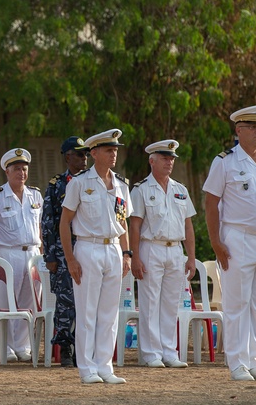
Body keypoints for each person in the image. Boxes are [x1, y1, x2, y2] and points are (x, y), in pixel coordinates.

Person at [203, 105, 256, 382]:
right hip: (237, 239)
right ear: (238, 131)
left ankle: (252, 359)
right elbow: (211, 202)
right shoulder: (225, 162)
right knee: (236, 303)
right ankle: (236, 362)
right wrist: (216, 242)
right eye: (252, 127)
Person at [59, 128, 131, 385]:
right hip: (88, 248)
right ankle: (87, 367)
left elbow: (123, 222)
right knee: (87, 311)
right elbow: (64, 222)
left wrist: (127, 253)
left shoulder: (121, 185)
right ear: (94, 152)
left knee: (109, 313)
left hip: (113, 249)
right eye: (109, 150)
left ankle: (105, 365)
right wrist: (70, 259)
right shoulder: (79, 183)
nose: (114, 154)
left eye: (115, 150)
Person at [129, 139, 195, 368]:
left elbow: (188, 226)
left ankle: (170, 351)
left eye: (171, 159)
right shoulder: (141, 189)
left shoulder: (180, 190)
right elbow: (135, 225)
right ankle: (151, 353)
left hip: (175, 249)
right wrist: (135, 256)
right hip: (151, 247)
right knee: (150, 302)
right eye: (165, 158)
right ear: (152, 160)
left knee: (171, 303)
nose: (169, 162)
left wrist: (191, 257)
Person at [0, 147, 41, 362]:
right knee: (5, 301)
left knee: (28, 300)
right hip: (7, 253)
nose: (21, 173)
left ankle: (21, 345)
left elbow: (39, 226)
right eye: (16, 169)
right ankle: (5, 346)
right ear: (7, 171)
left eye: (24, 169)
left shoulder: (36, 194)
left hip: (31, 252)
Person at [41, 136, 88, 367]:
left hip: (87, 248)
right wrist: (50, 256)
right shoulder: (57, 184)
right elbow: (48, 222)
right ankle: (65, 348)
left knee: (86, 301)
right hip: (61, 252)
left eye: (86, 154)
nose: (84, 159)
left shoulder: (92, 181)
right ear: (68, 156)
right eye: (80, 155)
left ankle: (83, 348)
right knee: (65, 302)